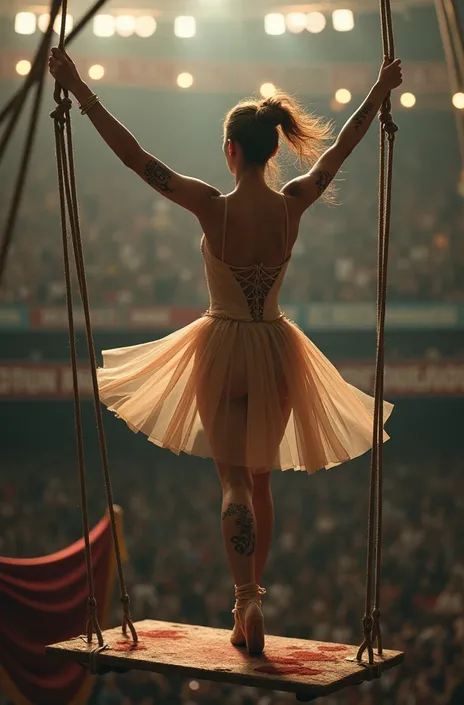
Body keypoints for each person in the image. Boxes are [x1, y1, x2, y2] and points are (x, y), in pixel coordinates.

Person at [48, 48, 402, 656]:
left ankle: (243, 601)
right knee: (261, 483)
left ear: (230, 150)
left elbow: (140, 162)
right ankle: (254, 597)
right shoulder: (293, 204)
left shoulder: (213, 208)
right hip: (278, 351)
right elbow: (342, 148)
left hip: (223, 348)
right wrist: (377, 91)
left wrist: (80, 89)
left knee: (232, 480)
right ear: (271, 148)